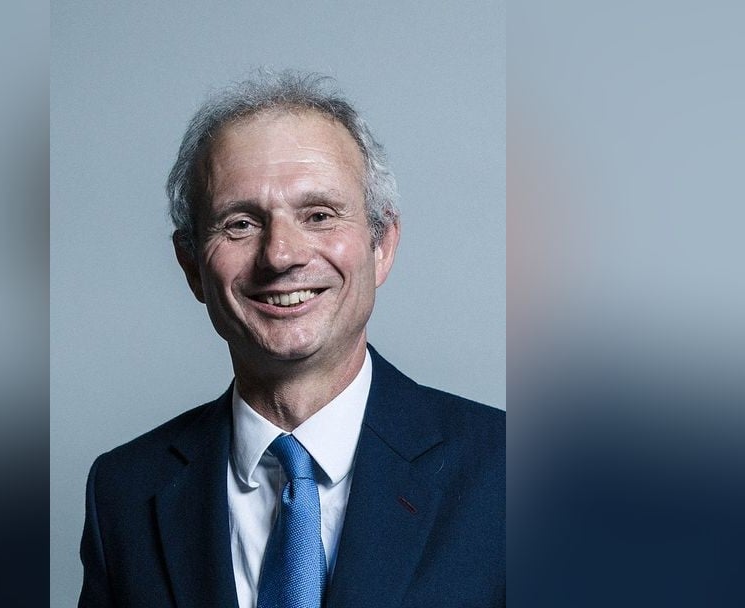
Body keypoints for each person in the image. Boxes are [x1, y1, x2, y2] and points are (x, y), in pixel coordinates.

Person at [78, 70, 504, 608]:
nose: (281, 255)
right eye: (240, 223)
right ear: (191, 265)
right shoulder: (124, 492)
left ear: (382, 246)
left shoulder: (512, 473)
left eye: (319, 215)